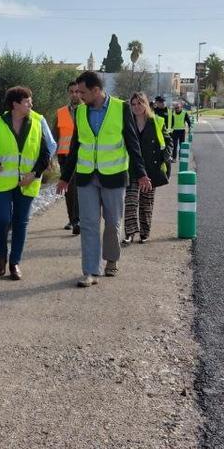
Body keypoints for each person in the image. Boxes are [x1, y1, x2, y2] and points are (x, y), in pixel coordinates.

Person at [56, 71, 151, 288]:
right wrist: (64, 177)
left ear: (96, 90)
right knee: (89, 224)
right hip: (87, 176)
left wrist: (142, 173)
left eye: (82, 91)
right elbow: (75, 146)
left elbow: (132, 142)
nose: (78, 95)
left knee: (112, 223)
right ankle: (90, 271)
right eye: (77, 91)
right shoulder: (80, 111)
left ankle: (111, 260)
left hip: (115, 176)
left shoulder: (121, 108)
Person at [0, 85, 52, 281]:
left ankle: (15, 263)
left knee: (20, 223)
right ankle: (2, 255)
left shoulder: (36, 123)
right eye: (27, 101)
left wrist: (35, 173)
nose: (31, 104)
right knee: (1, 221)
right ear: (15, 104)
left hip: (27, 183)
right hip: (1, 183)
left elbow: (45, 155)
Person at [123, 92, 170, 244]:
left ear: (146, 104)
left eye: (139, 103)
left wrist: (165, 156)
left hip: (151, 168)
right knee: (130, 201)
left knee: (146, 202)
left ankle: (144, 233)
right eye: (133, 104)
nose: (136, 107)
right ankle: (129, 233)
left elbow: (167, 142)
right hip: (132, 168)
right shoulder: (127, 122)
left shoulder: (156, 121)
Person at [54, 81, 82, 235]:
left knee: (79, 188)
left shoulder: (87, 110)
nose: (75, 94)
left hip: (83, 156)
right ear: (68, 93)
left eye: (77, 91)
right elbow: (54, 136)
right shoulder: (61, 113)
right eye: (71, 91)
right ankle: (73, 219)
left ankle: (78, 220)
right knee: (69, 190)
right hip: (65, 156)